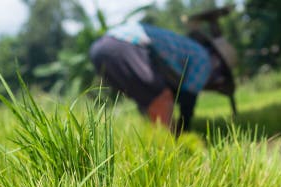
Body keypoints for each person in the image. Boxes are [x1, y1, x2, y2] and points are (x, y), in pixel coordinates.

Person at [89, 21, 237, 132]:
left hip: (100, 49)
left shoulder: (187, 50)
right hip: (123, 46)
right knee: (161, 98)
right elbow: (188, 96)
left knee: (147, 101)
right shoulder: (204, 59)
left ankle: (156, 148)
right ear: (218, 63)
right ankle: (170, 152)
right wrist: (184, 130)